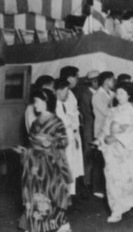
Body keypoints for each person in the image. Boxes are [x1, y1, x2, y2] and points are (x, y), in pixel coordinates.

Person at [16, 89, 72, 232]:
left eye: (38, 102)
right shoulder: (35, 123)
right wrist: (25, 151)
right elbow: (31, 144)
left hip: (50, 166)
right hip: (35, 166)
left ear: (47, 102)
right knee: (35, 196)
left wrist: (50, 143)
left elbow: (63, 142)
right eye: (35, 102)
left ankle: (54, 224)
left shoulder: (56, 122)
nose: (35, 105)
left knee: (49, 196)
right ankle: (38, 226)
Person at [96, 82, 133, 223]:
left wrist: (116, 137)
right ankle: (116, 211)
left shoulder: (132, 111)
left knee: (125, 181)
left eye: (122, 93)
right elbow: (106, 128)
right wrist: (101, 139)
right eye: (117, 93)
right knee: (111, 181)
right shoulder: (112, 111)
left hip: (125, 151)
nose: (118, 96)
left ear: (129, 95)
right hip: (112, 151)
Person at [54, 78, 84, 196]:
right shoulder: (55, 105)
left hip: (70, 138)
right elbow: (65, 121)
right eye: (65, 91)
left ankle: (69, 194)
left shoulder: (63, 104)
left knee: (71, 167)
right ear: (58, 91)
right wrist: (71, 120)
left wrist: (72, 121)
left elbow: (74, 121)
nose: (67, 93)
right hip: (62, 141)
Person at [91, 71, 116, 198]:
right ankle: (97, 188)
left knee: (109, 160)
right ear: (106, 80)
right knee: (99, 160)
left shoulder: (112, 94)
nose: (114, 82)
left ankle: (107, 186)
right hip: (101, 130)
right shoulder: (97, 96)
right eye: (112, 80)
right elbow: (107, 113)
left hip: (111, 131)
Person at [74, 70, 99, 193]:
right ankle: (86, 180)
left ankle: (94, 180)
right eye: (96, 81)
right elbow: (91, 111)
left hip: (97, 126)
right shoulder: (86, 94)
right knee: (88, 153)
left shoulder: (98, 93)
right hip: (90, 127)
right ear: (92, 82)